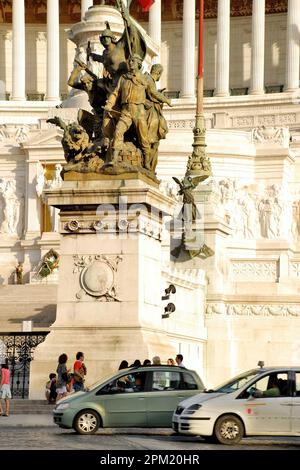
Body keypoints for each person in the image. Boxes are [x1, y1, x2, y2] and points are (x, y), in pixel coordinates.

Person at [104, 54, 172, 169]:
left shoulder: (145, 79)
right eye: (129, 61)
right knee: (118, 132)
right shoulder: (123, 78)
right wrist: (109, 104)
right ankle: (114, 159)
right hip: (126, 111)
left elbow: (153, 93)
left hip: (139, 112)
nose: (130, 63)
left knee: (143, 138)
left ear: (139, 64)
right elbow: (115, 93)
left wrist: (166, 100)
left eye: (133, 61)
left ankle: (146, 162)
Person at [144, 64, 169, 172]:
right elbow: (152, 93)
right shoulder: (148, 79)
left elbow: (153, 93)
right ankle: (148, 163)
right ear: (159, 73)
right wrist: (166, 100)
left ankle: (150, 165)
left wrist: (159, 94)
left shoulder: (150, 80)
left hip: (152, 111)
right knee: (152, 140)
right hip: (149, 112)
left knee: (155, 142)